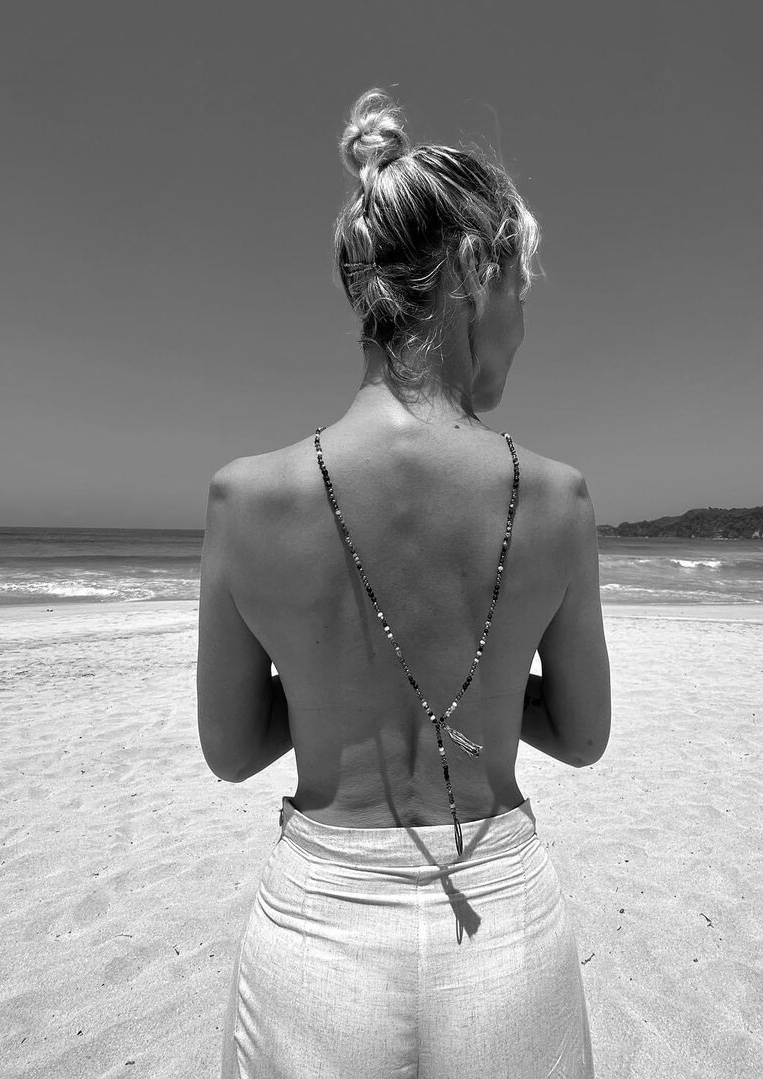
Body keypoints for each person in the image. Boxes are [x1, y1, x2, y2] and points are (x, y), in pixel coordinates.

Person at [198, 89, 612, 1079]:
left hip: (318, 934)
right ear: (475, 271)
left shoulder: (244, 498)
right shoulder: (557, 498)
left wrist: (337, 695)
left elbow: (232, 747)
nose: (524, 324)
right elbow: (584, 733)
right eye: (521, 290)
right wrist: (487, 695)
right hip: (503, 928)